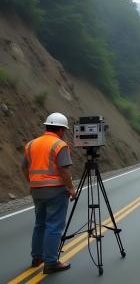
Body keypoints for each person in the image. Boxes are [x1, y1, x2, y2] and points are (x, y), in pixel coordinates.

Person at [22, 112, 76, 274]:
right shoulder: (60, 145)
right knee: (54, 225)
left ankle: (37, 257)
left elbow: (24, 167)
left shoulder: (31, 144)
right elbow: (63, 170)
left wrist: (32, 182)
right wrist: (71, 189)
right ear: (60, 130)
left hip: (37, 191)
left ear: (46, 126)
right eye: (64, 130)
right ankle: (51, 262)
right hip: (55, 191)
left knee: (40, 224)